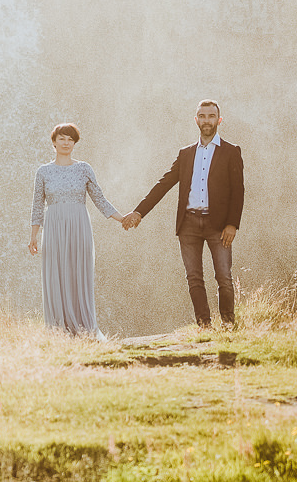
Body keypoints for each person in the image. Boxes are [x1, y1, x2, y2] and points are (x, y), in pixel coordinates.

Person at [123, 99, 243, 329]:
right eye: (202, 116)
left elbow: (238, 191)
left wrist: (232, 224)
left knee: (224, 278)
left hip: (219, 226)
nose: (206, 120)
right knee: (194, 278)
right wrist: (139, 212)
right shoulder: (186, 153)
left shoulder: (231, 152)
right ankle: (204, 326)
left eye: (211, 116)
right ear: (195, 119)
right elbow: (164, 184)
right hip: (188, 225)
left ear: (219, 120)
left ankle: (228, 324)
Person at [27, 122, 124, 337]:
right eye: (62, 138)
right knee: (56, 275)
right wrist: (33, 236)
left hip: (79, 225)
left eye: (70, 139)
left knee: (78, 273)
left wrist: (121, 218)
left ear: (75, 143)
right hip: (53, 227)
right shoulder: (43, 172)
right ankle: (58, 330)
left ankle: (84, 328)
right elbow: (37, 206)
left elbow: (99, 199)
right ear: (53, 142)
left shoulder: (83, 168)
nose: (66, 142)